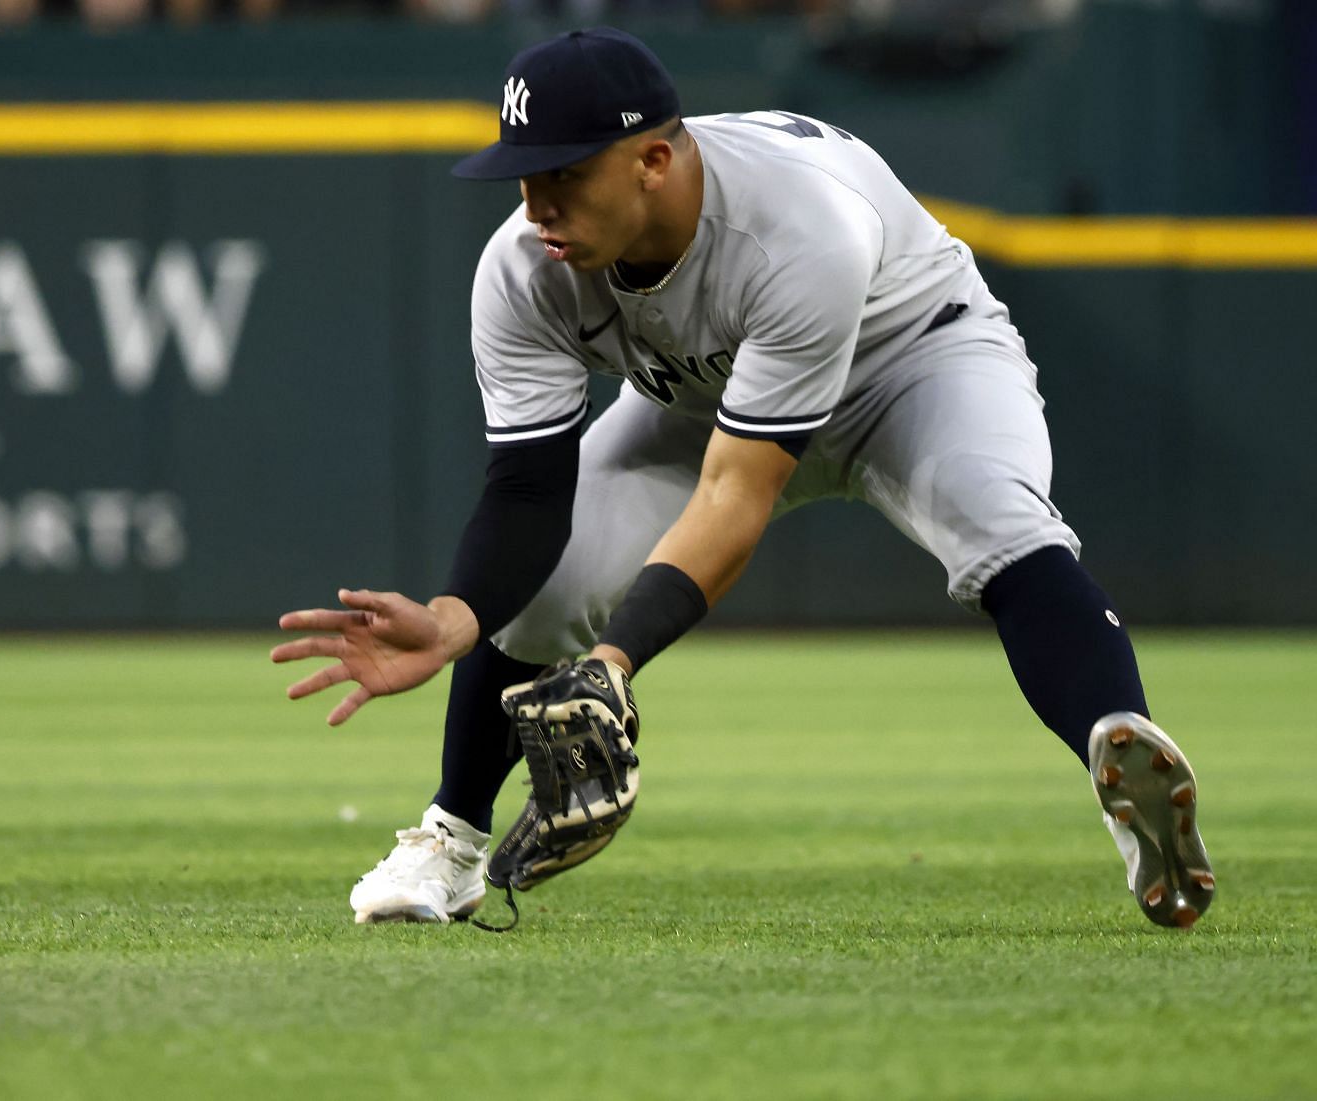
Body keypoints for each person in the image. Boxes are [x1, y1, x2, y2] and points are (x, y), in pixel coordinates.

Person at [271, 26, 1215, 929]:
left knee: (994, 518)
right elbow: (528, 491)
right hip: (710, 395)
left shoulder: (798, 226)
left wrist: (612, 666)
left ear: (653, 159)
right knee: (541, 593)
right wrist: (452, 617)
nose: (536, 205)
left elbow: (737, 495)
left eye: (565, 172)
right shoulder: (525, 267)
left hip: (913, 359)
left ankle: (1121, 754)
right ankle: (451, 837)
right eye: (523, 173)